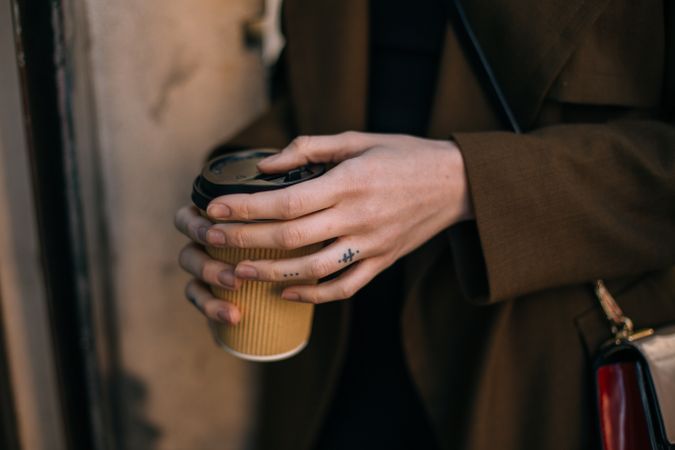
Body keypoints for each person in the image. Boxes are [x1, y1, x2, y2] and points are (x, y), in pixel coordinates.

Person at [174, 0, 675, 449]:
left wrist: (465, 182)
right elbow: (308, 94)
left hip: (539, 367)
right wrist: (238, 190)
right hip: (331, 354)